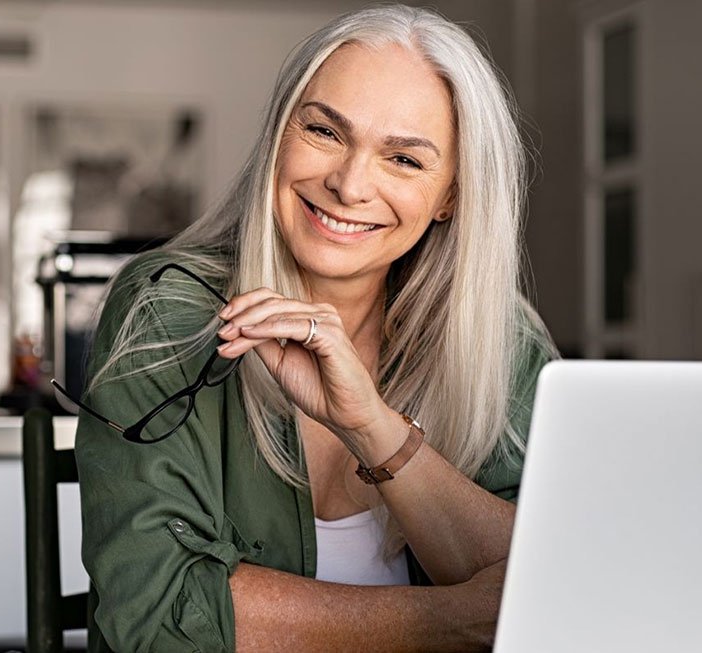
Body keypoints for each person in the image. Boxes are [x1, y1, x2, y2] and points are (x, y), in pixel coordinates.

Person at [60, 5, 559, 651]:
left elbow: (556, 586)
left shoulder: (500, 339)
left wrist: (372, 428)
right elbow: (152, 616)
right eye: (324, 130)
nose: (349, 185)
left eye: (404, 160)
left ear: (450, 197)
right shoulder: (167, 305)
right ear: (278, 134)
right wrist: (443, 620)